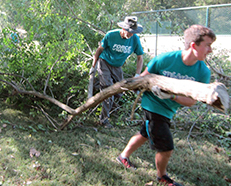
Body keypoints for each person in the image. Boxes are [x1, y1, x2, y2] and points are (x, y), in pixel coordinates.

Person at [116, 24, 216, 186]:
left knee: (145, 133)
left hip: (168, 109)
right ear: (193, 45)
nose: (210, 50)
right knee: (166, 146)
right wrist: (132, 85)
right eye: (207, 45)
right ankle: (162, 177)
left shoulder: (202, 72)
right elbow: (143, 78)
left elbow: (191, 101)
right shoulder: (165, 60)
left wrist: (172, 96)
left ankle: (123, 156)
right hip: (152, 104)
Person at [90, 16, 144, 128]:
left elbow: (140, 57)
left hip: (117, 66)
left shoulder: (134, 39)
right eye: (129, 32)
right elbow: (100, 49)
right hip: (104, 62)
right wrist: (93, 65)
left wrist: (137, 75)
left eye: (132, 32)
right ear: (123, 29)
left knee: (119, 92)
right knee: (108, 90)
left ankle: (98, 85)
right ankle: (103, 120)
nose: (130, 34)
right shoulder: (111, 35)